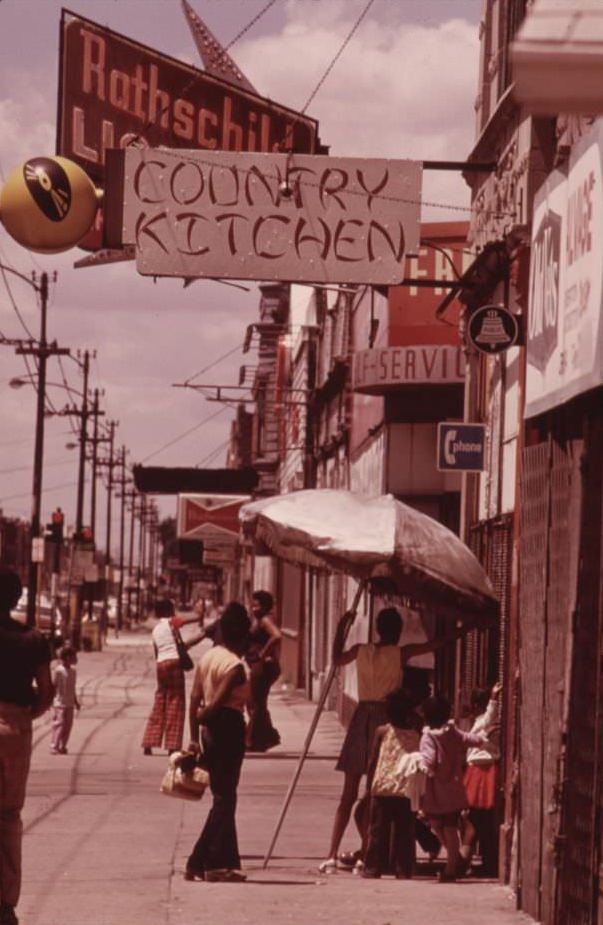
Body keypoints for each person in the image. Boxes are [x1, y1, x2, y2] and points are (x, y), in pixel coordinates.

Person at [320, 607, 467, 873]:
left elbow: (336, 658)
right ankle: (369, 852)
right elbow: (435, 644)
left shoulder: (360, 650)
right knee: (378, 790)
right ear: (397, 632)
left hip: (362, 716)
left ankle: (334, 853)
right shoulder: (400, 653)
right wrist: (461, 630)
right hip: (388, 720)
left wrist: (342, 626)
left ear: (377, 629)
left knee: (350, 792)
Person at [0, 567, 53, 925]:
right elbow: (46, 691)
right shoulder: (34, 639)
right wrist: (25, 714)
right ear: (18, 598)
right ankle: (4, 904)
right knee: (7, 816)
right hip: (14, 727)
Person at [185, 602, 251, 883]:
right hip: (227, 729)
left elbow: (194, 700)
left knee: (224, 796)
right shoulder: (235, 667)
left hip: (209, 736)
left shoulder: (210, 657)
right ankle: (199, 860)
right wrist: (204, 717)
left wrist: (193, 738)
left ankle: (224, 860)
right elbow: (212, 707)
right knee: (225, 799)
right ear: (242, 636)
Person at [419, 693, 486, 882]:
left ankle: (452, 863)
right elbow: (467, 739)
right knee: (450, 827)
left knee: (435, 824)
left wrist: (421, 765)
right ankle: (452, 864)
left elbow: (428, 760)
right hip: (454, 789)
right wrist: (480, 740)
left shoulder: (427, 738)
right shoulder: (452, 732)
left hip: (435, 791)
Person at [362, 690, 424, 879]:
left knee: (377, 830)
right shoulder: (416, 734)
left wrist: (368, 785)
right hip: (405, 789)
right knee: (404, 832)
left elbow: (373, 760)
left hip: (382, 788)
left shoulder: (382, 731)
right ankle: (403, 869)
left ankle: (372, 868)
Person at [141, 599, 205, 756]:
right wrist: (199, 613)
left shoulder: (156, 629)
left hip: (161, 665)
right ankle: (172, 745)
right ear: (169, 611)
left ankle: (149, 742)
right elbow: (191, 619)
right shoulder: (171, 622)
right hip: (174, 662)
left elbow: (157, 652)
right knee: (176, 703)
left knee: (160, 702)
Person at [460, 681, 502, 875]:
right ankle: (479, 863)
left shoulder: (483, 722)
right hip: (481, 772)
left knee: (472, 821)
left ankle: (460, 865)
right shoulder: (481, 725)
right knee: (479, 820)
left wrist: (493, 698)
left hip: (479, 773)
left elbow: (489, 714)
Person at [245, 590, 282, 752]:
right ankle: (266, 738)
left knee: (254, 703)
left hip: (263, 667)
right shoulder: (257, 619)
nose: (254, 608)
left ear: (266, 606)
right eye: (252, 605)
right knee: (257, 703)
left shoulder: (265, 620)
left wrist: (263, 653)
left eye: (257, 605)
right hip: (258, 666)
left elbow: (277, 636)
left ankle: (254, 739)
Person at [50, 644, 80, 755]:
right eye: (74, 656)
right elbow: (54, 686)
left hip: (70, 703)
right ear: (67, 657)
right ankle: (54, 745)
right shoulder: (58, 670)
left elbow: (72, 688)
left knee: (68, 725)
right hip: (59, 703)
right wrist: (49, 700)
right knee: (59, 724)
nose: (76, 659)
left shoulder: (73, 672)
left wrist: (76, 702)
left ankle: (63, 746)